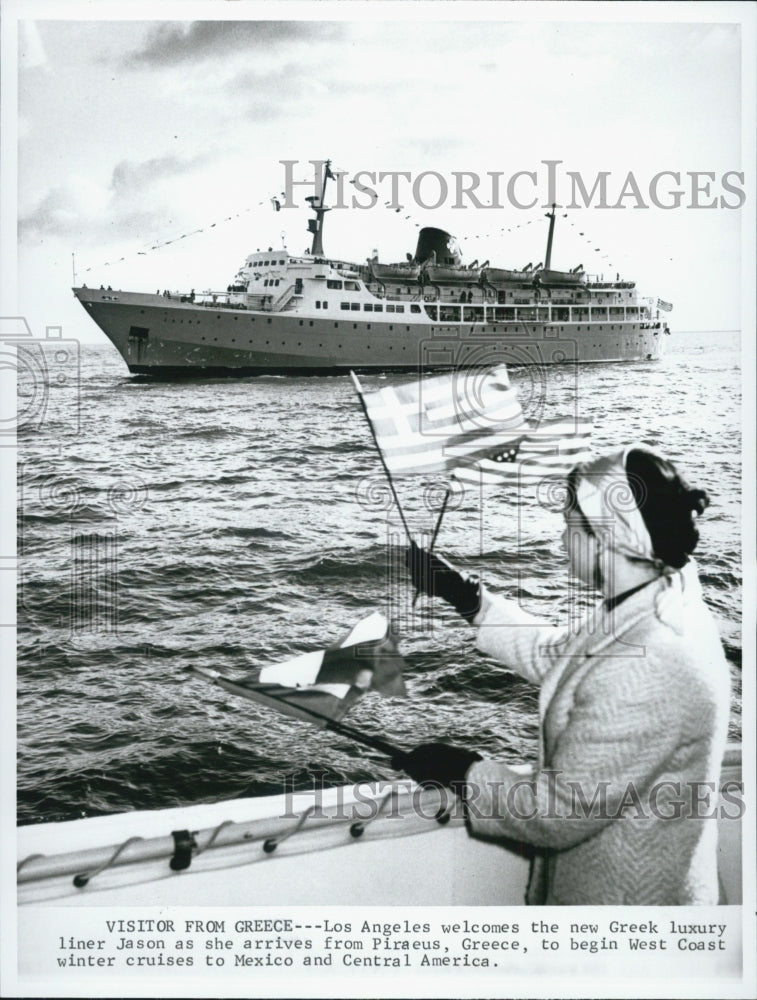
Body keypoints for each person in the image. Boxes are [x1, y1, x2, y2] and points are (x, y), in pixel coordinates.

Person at [401, 447, 731, 905]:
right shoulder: (655, 602)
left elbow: (557, 812)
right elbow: (560, 656)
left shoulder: (649, 659)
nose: (560, 540)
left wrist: (464, 773)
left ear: (607, 537)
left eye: (570, 526)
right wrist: (464, 595)